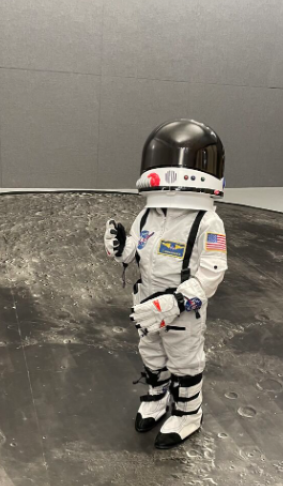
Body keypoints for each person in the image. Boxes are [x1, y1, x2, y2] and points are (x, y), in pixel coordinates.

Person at [104, 119, 227, 449]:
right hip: (147, 304)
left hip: (182, 311)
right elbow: (138, 250)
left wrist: (178, 301)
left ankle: (188, 414)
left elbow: (212, 271)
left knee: (184, 362)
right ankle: (157, 400)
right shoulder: (148, 214)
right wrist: (121, 248)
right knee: (152, 354)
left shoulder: (207, 221)